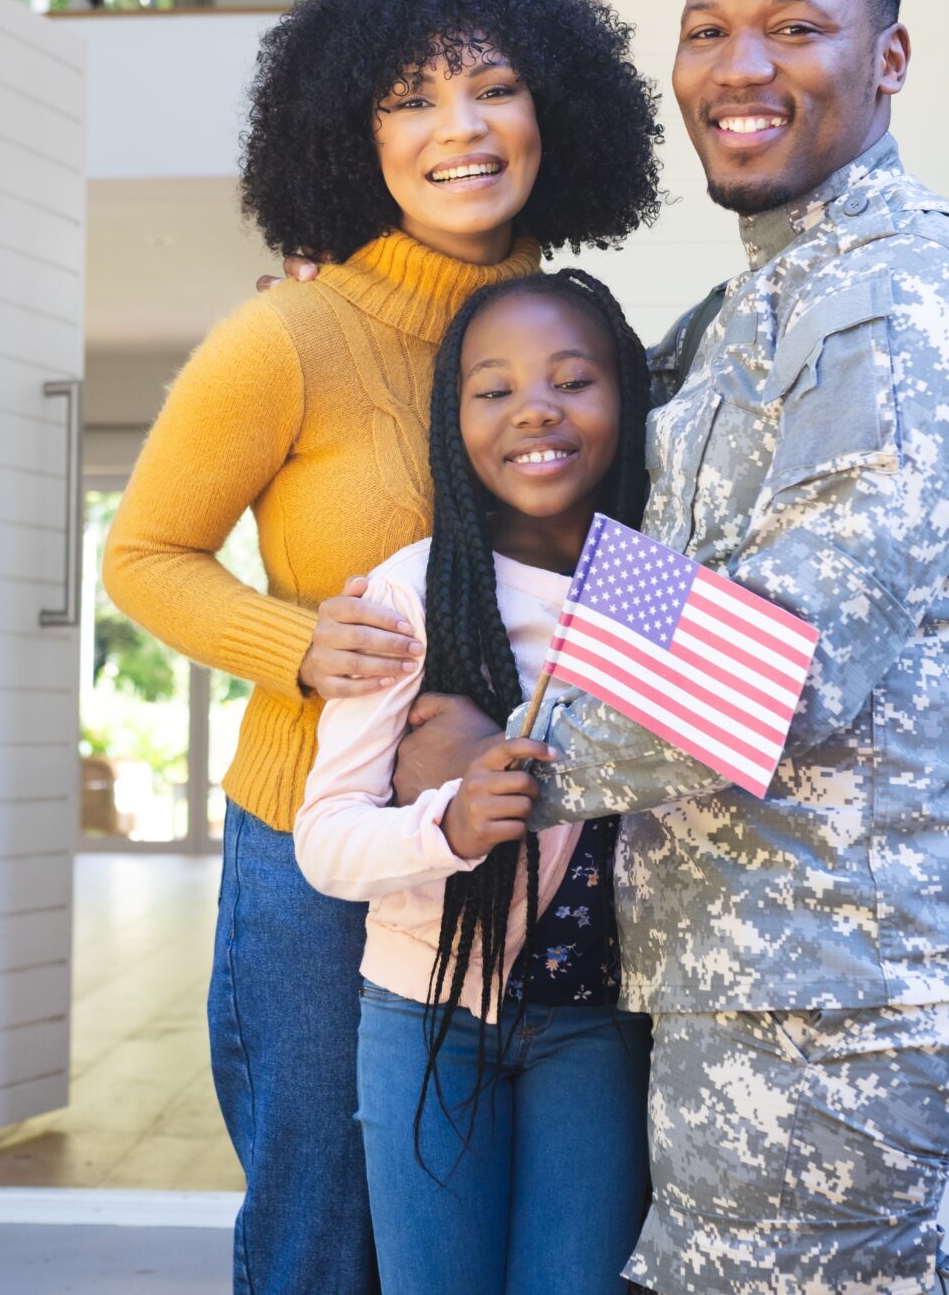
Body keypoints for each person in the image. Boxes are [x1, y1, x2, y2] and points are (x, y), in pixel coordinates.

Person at [425, 0, 949, 1295]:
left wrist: (515, 753)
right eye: (708, 28)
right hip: (754, 952)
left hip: (841, 970)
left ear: (887, 58)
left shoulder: (907, 294)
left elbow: (768, 663)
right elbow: (637, 572)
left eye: (794, 26)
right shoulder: (752, 310)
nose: (740, 67)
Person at [101, 0, 665, 1295]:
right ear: (353, 135)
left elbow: (643, 572)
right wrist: (295, 646)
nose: (458, 129)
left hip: (541, 866)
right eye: (410, 99)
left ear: (557, 114)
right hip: (319, 847)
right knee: (324, 1228)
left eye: (494, 87)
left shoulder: (588, 344)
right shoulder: (290, 334)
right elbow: (145, 554)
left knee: (530, 1240)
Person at [292, 270, 657, 1295]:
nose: (534, 407)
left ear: (625, 399)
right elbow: (324, 837)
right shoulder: (414, 588)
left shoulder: (652, 586)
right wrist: (446, 824)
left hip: (595, 1020)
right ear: (453, 423)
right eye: (492, 389)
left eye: (572, 380)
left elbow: (785, 706)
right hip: (424, 1015)